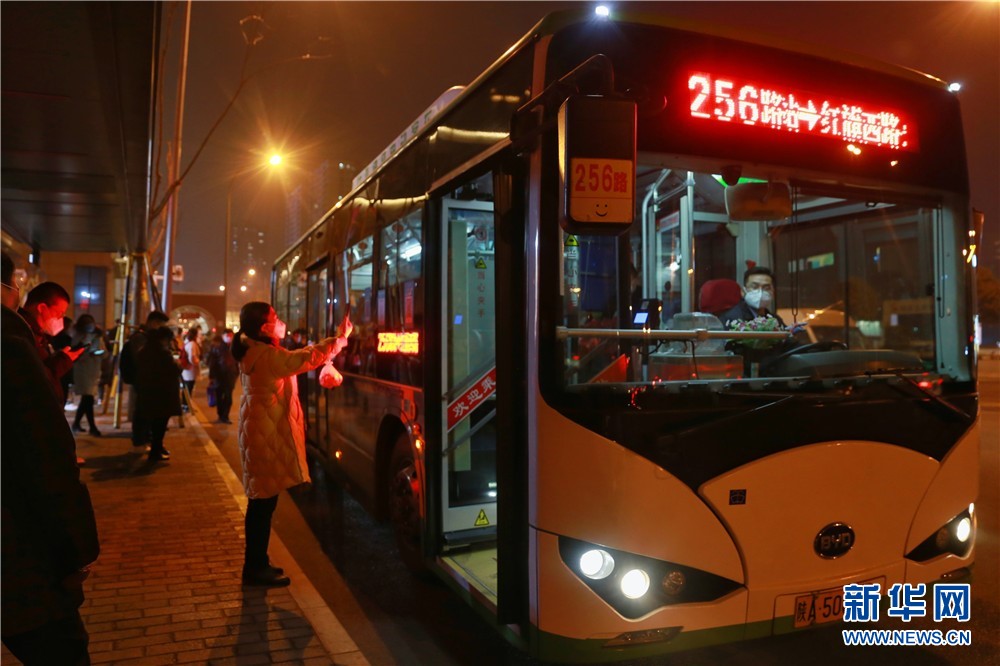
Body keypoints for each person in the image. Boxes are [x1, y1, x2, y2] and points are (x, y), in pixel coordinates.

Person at [2, 253, 100, 665]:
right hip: (18, 557)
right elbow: (45, 459)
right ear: (10, 289)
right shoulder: (11, 346)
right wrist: (76, 550)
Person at [232, 302, 350, 586]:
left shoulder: (254, 351)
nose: (280, 321)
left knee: (262, 503)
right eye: (274, 318)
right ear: (264, 327)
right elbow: (305, 358)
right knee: (261, 506)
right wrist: (339, 339)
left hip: (260, 432)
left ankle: (258, 562)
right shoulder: (266, 356)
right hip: (263, 435)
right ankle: (254, 568)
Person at [18, 282, 85, 403]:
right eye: (59, 314)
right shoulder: (20, 334)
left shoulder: (38, 336)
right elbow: (33, 380)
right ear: (42, 308)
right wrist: (62, 361)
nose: (61, 319)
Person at [120, 311, 171, 449]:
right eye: (160, 324)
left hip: (146, 379)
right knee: (142, 410)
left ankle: (145, 438)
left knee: (147, 409)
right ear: (154, 322)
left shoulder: (147, 337)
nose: (161, 328)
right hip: (142, 379)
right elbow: (142, 359)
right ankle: (139, 440)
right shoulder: (141, 338)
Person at [135, 326, 182, 463]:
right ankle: (155, 451)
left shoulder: (144, 350)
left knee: (154, 422)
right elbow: (174, 370)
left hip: (148, 391)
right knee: (160, 423)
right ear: (164, 339)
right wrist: (177, 364)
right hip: (163, 393)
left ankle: (158, 447)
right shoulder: (162, 353)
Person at [70, 314, 107, 436]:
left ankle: (77, 424)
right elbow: (75, 353)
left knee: (87, 399)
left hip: (94, 370)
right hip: (82, 370)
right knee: (88, 398)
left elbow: (104, 352)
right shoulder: (78, 337)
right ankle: (92, 427)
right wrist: (87, 352)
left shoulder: (97, 336)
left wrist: (100, 352)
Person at [719, 266, 787, 327]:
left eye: (766, 288)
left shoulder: (775, 320)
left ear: (773, 293)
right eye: (754, 287)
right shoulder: (732, 319)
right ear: (743, 292)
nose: (760, 292)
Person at [206, 328, 239, 424]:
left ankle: (225, 416)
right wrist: (212, 377)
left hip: (230, 377)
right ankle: (220, 416)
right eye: (227, 335)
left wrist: (236, 373)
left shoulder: (234, 348)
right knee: (219, 396)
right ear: (223, 336)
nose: (229, 337)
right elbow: (212, 364)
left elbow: (238, 363)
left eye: (231, 336)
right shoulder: (217, 348)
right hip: (219, 377)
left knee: (228, 397)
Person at [181, 326, 202, 408]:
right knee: (189, 387)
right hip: (190, 370)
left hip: (187, 370)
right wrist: (197, 362)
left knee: (187, 387)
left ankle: (185, 404)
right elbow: (192, 357)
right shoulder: (192, 344)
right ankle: (186, 405)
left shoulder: (187, 342)